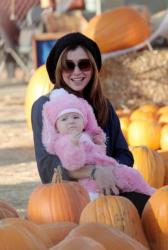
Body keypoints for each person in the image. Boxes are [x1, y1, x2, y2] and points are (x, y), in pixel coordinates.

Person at [31, 32, 150, 215]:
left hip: (112, 188)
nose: (77, 72)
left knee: (154, 206)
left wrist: (109, 172)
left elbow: (123, 153)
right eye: (68, 66)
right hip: (71, 199)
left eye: (84, 64)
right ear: (58, 70)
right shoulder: (45, 107)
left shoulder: (103, 106)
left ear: (93, 68)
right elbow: (49, 170)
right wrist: (93, 171)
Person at [41, 88, 156, 200]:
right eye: (64, 119)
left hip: (107, 169)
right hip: (86, 179)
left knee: (132, 175)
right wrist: (74, 146)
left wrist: (100, 146)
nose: (71, 121)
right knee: (96, 198)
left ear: (84, 121)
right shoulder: (63, 141)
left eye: (76, 117)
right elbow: (72, 163)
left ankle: (150, 193)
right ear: (56, 126)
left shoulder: (87, 135)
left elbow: (108, 153)